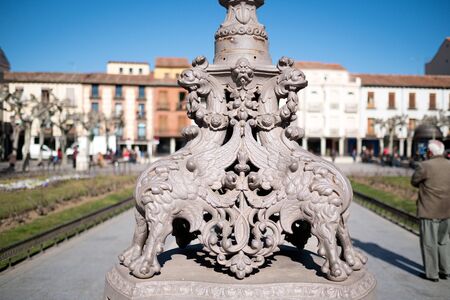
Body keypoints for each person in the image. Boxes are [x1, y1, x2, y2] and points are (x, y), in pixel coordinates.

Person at [411, 140, 450, 282]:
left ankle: (432, 274)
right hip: (447, 209)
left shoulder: (425, 166)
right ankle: (446, 270)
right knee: (444, 240)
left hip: (430, 209)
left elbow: (414, 181)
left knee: (429, 242)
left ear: (430, 152)